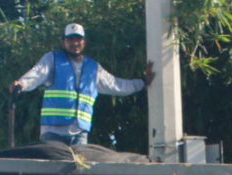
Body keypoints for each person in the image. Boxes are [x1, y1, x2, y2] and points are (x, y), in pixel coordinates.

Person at [11, 23, 155, 147]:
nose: (75, 43)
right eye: (70, 39)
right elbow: (36, 74)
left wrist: (142, 82)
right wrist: (21, 84)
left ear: (84, 41)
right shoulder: (53, 59)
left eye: (78, 39)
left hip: (79, 133)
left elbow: (116, 85)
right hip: (53, 131)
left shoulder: (93, 67)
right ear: (63, 42)